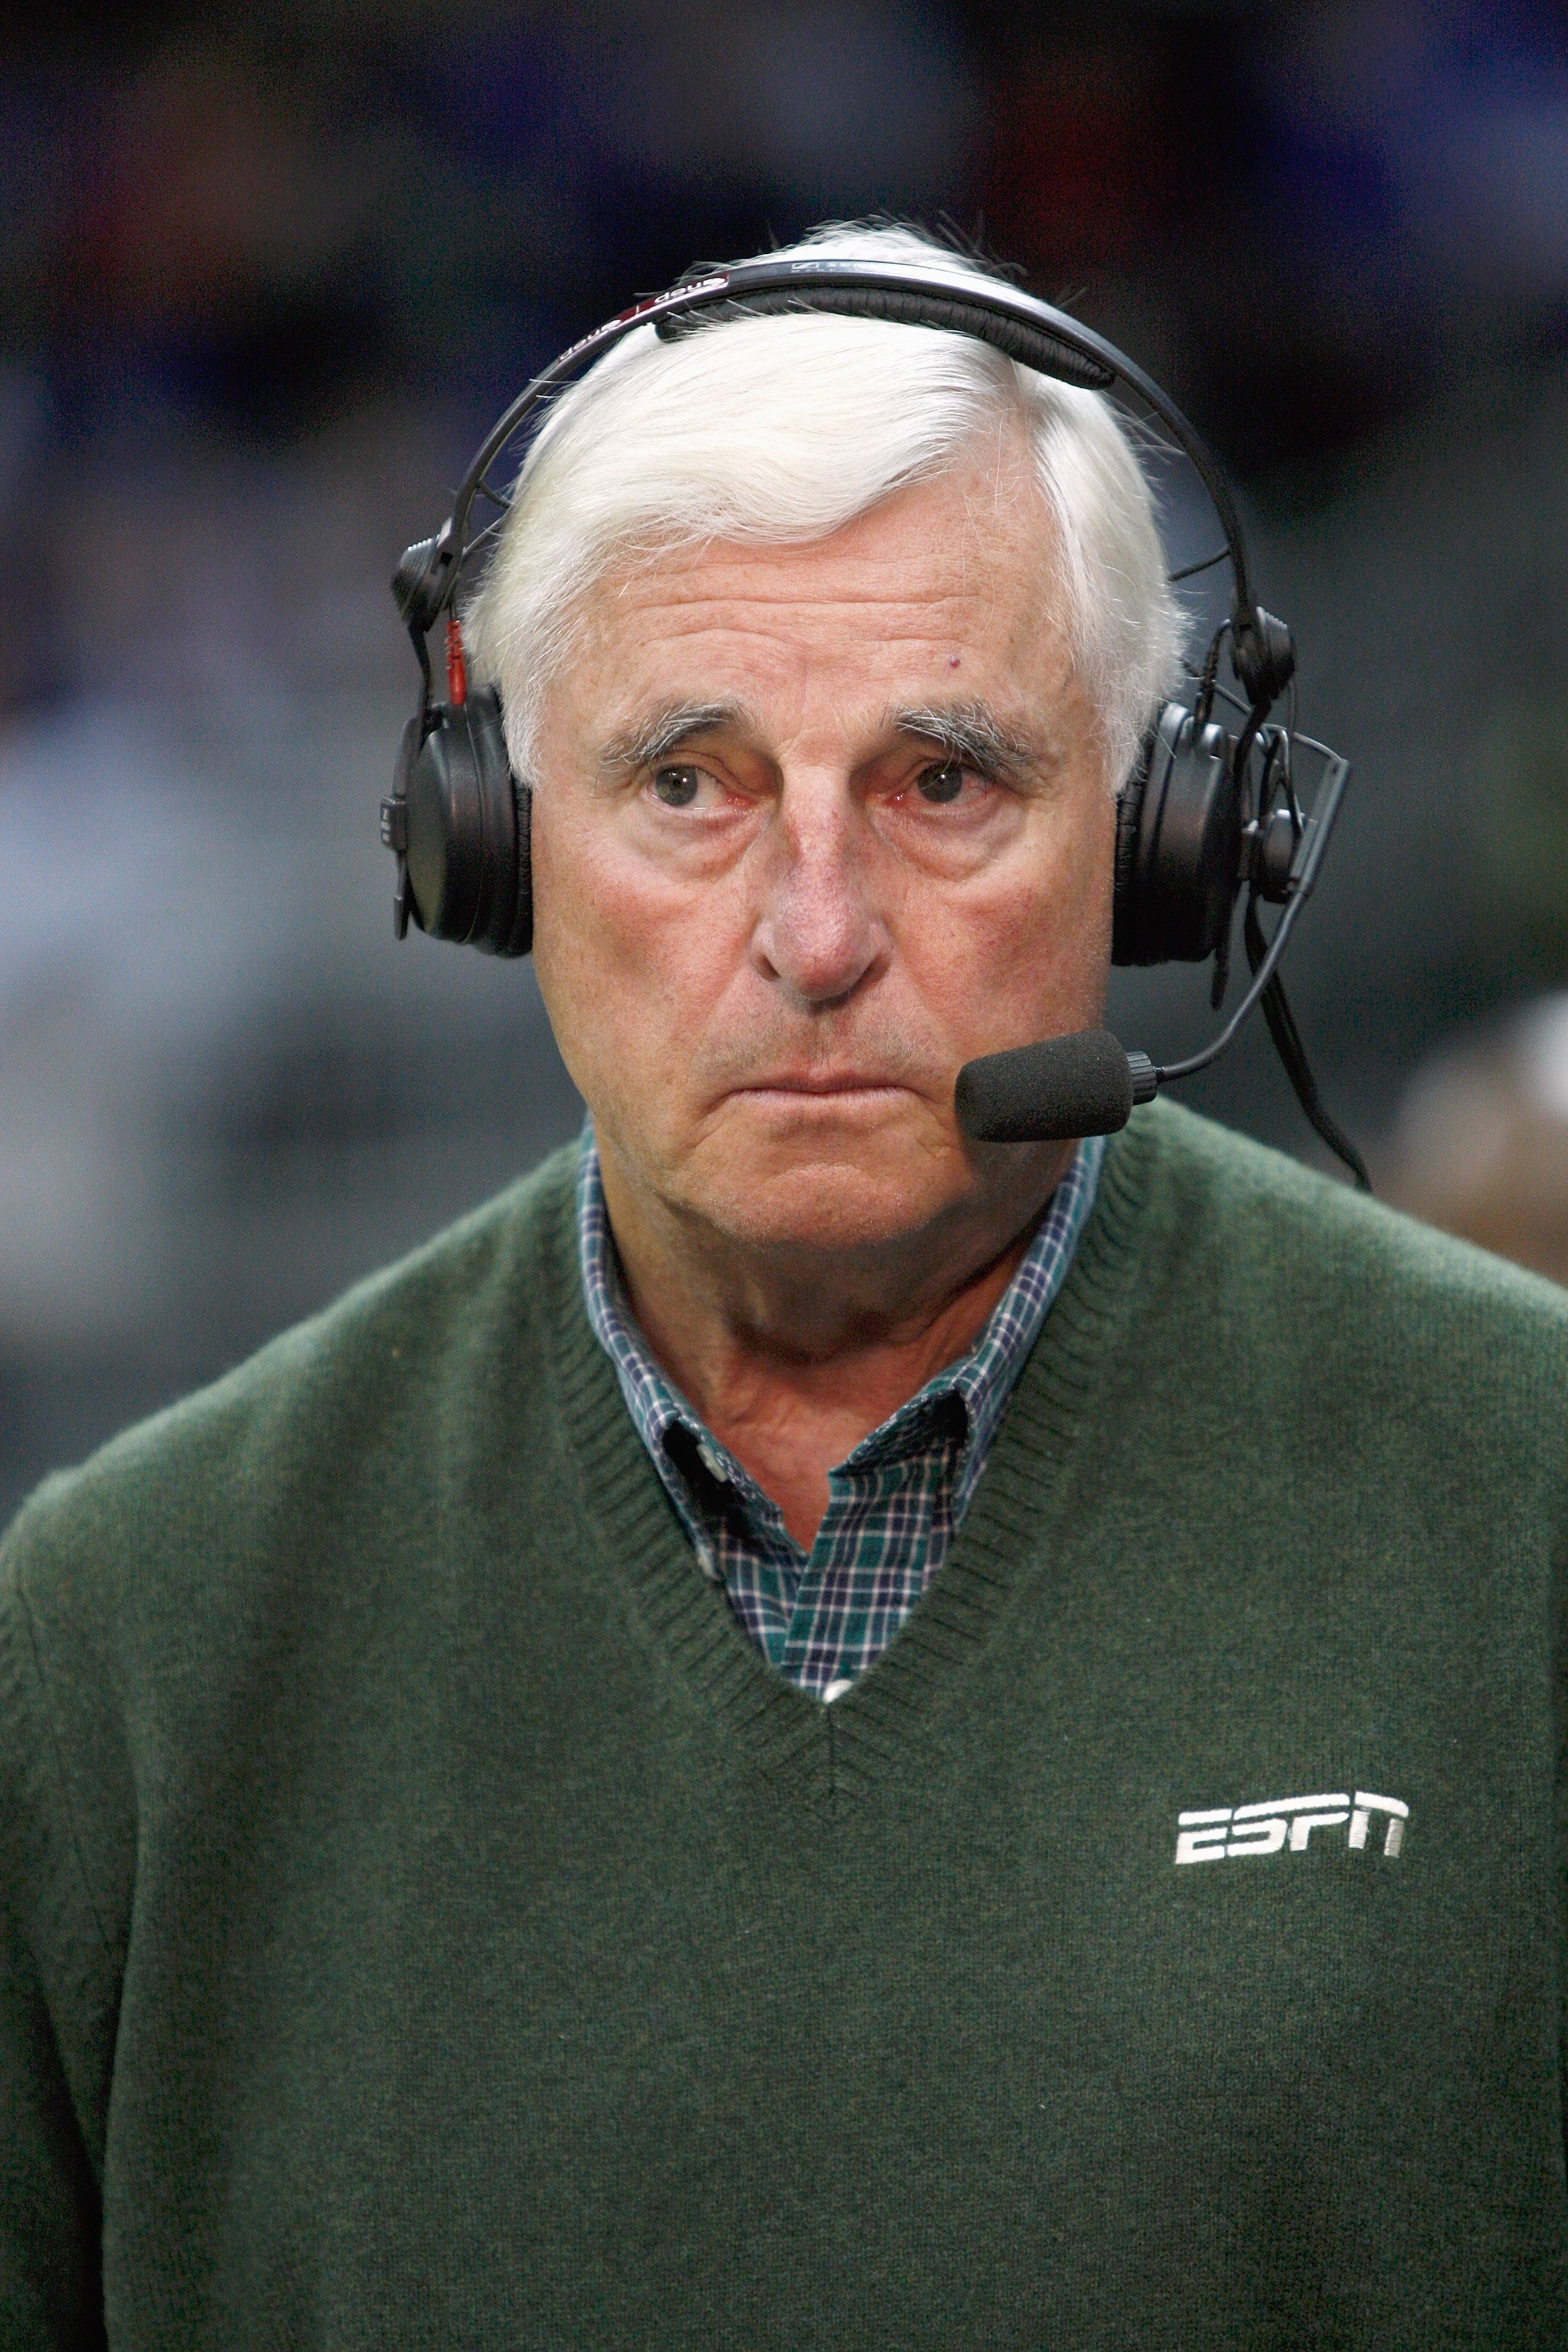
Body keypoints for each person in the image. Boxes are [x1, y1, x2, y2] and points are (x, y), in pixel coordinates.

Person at [4, 223, 1567, 2351]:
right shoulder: (128, 1641)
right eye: (687, 784)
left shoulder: (1525, 1503)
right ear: (486, 839)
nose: (815, 930)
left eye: (943, 781)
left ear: (1165, 833)